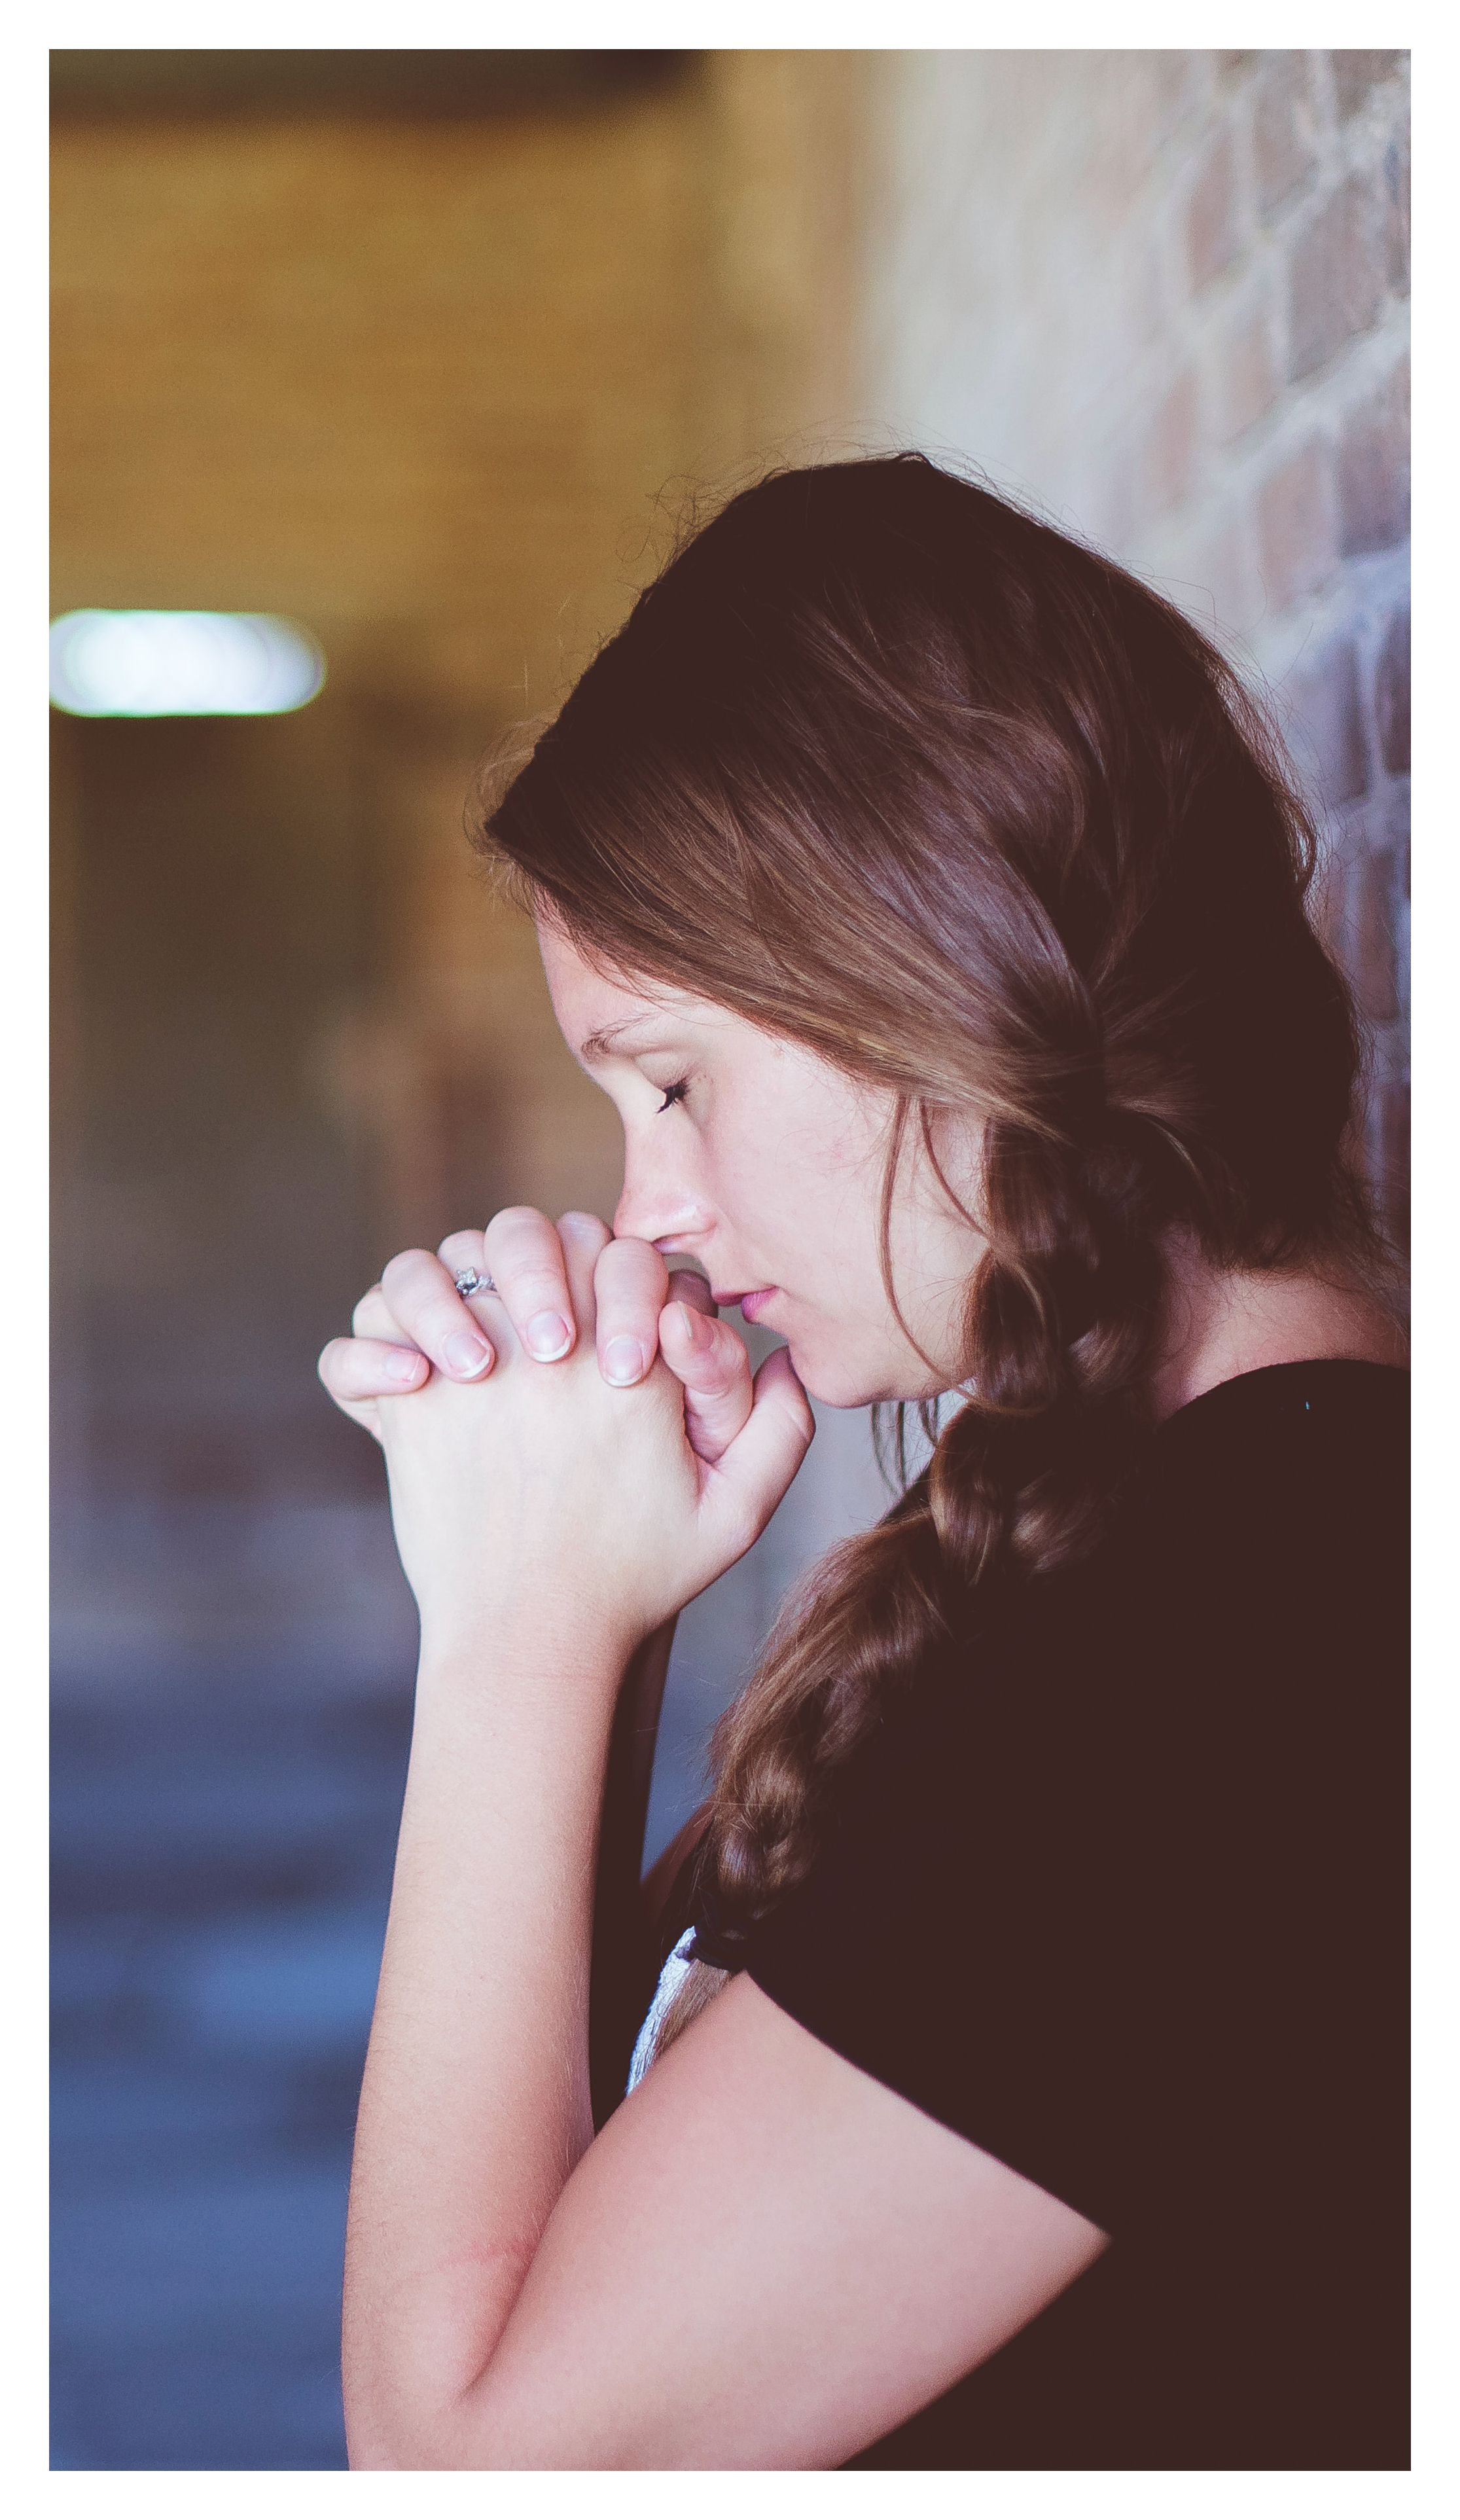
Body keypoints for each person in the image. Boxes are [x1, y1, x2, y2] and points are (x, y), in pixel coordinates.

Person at [317, 455, 1408, 2470]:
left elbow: (485, 2469)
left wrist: (515, 1638)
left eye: (672, 1080)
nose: (646, 1210)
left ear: (932, 967)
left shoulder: (1261, 1635)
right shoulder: (1143, 1529)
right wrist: (611, 1603)